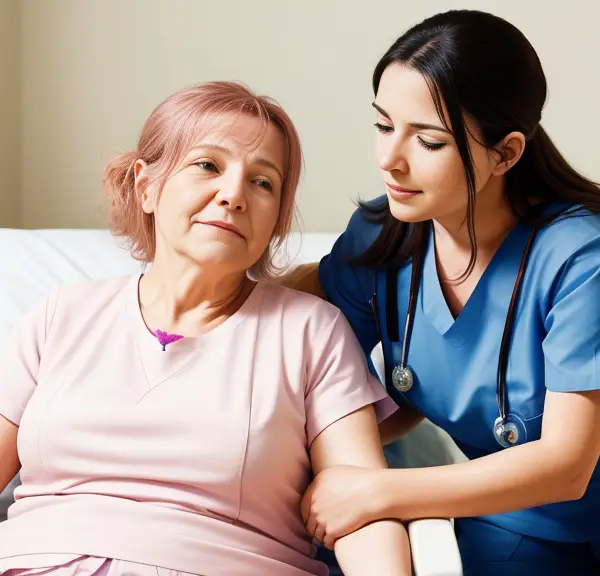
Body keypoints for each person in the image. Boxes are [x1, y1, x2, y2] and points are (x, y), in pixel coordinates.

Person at [0, 82, 410, 576]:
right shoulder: (60, 315)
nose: (234, 194)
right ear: (146, 186)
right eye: (207, 165)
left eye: (263, 183)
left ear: (275, 220)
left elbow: (361, 507)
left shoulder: (310, 332)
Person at [285, 10, 600, 576]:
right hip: (509, 520)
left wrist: (378, 491)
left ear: (505, 153)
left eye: (428, 141)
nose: (390, 160)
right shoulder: (382, 238)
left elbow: (566, 465)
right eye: (384, 127)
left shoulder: (580, 259)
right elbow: (326, 390)